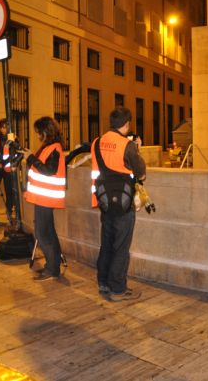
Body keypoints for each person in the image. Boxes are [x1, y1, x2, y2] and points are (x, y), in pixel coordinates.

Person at [91, 107, 146, 301]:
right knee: (121, 246)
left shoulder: (97, 142)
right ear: (126, 124)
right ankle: (118, 289)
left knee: (106, 243)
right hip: (123, 202)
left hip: (104, 201)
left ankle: (103, 282)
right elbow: (141, 174)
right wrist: (137, 150)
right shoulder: (127, 145)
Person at [23, 116, 66, 282]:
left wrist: (31, 157)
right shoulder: (49, 147)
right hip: (43, 197)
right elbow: (38, 167)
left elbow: (48, 170)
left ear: (45, 131)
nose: (38, 135)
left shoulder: (53, 148)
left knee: (43, 234)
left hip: (46, 197)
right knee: (48, 233)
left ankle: (52, 268)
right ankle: (53, 267)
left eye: (38, 132)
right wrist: (30, 157)